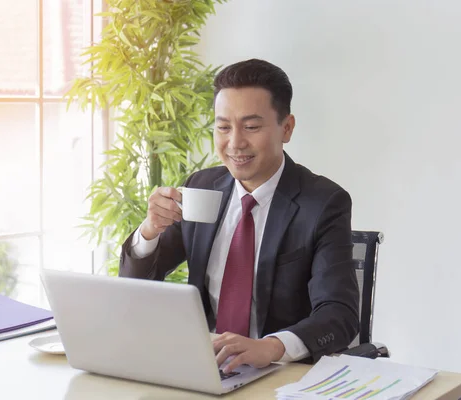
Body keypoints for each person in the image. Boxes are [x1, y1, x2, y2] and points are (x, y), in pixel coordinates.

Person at [119, 59, 359, 374]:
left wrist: (271, 347)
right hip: (203, 369)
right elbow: (136, 287)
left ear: (286, 128)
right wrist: (150, 231)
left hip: (278, 374)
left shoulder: (324, 203)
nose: (235, 143)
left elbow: (339, 314)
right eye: (223, 127)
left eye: (251, 126)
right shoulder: (201, 187)